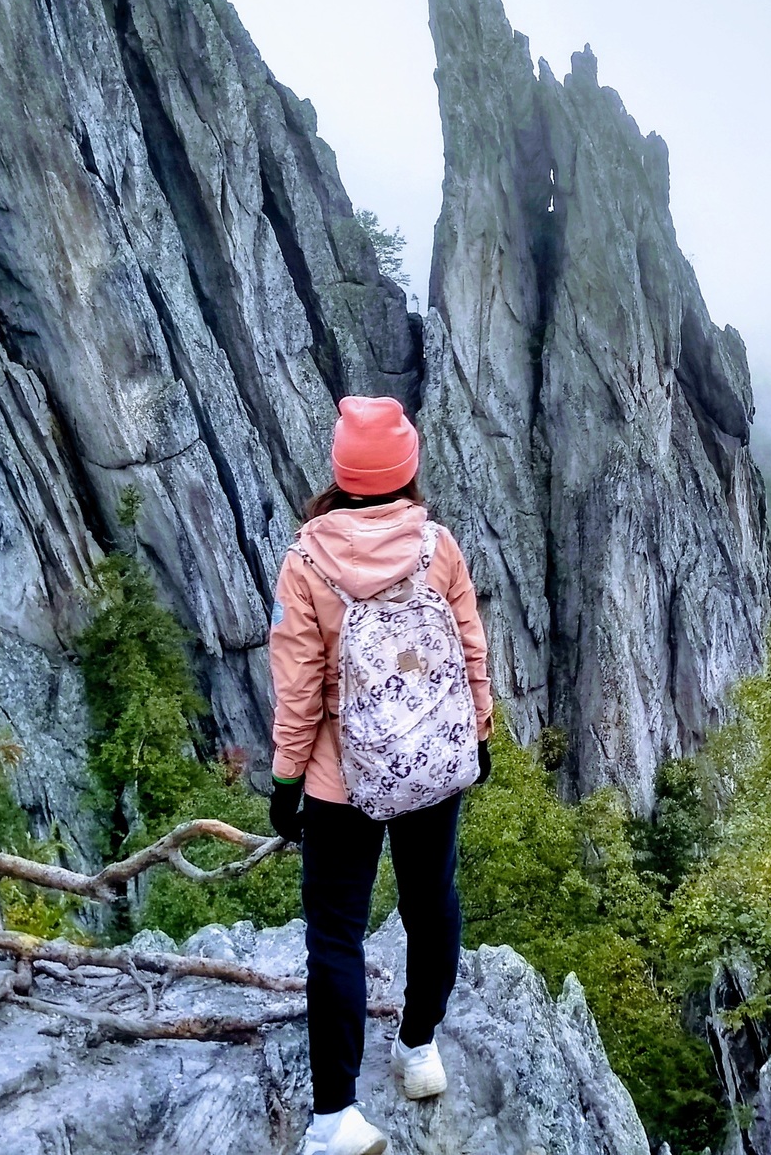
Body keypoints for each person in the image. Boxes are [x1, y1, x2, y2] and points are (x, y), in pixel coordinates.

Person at [267, 395, 494, 1155]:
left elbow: (298, 687)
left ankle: (336, 1116)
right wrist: (480, 732)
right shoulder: (438, 547)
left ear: (341, 472)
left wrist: (285, 778)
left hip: (341, 781)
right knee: (433, 903)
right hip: (432, 763)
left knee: (336, 934)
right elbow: (470, 651)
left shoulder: (307, 561)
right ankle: (420, 1047)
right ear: (406, 470)